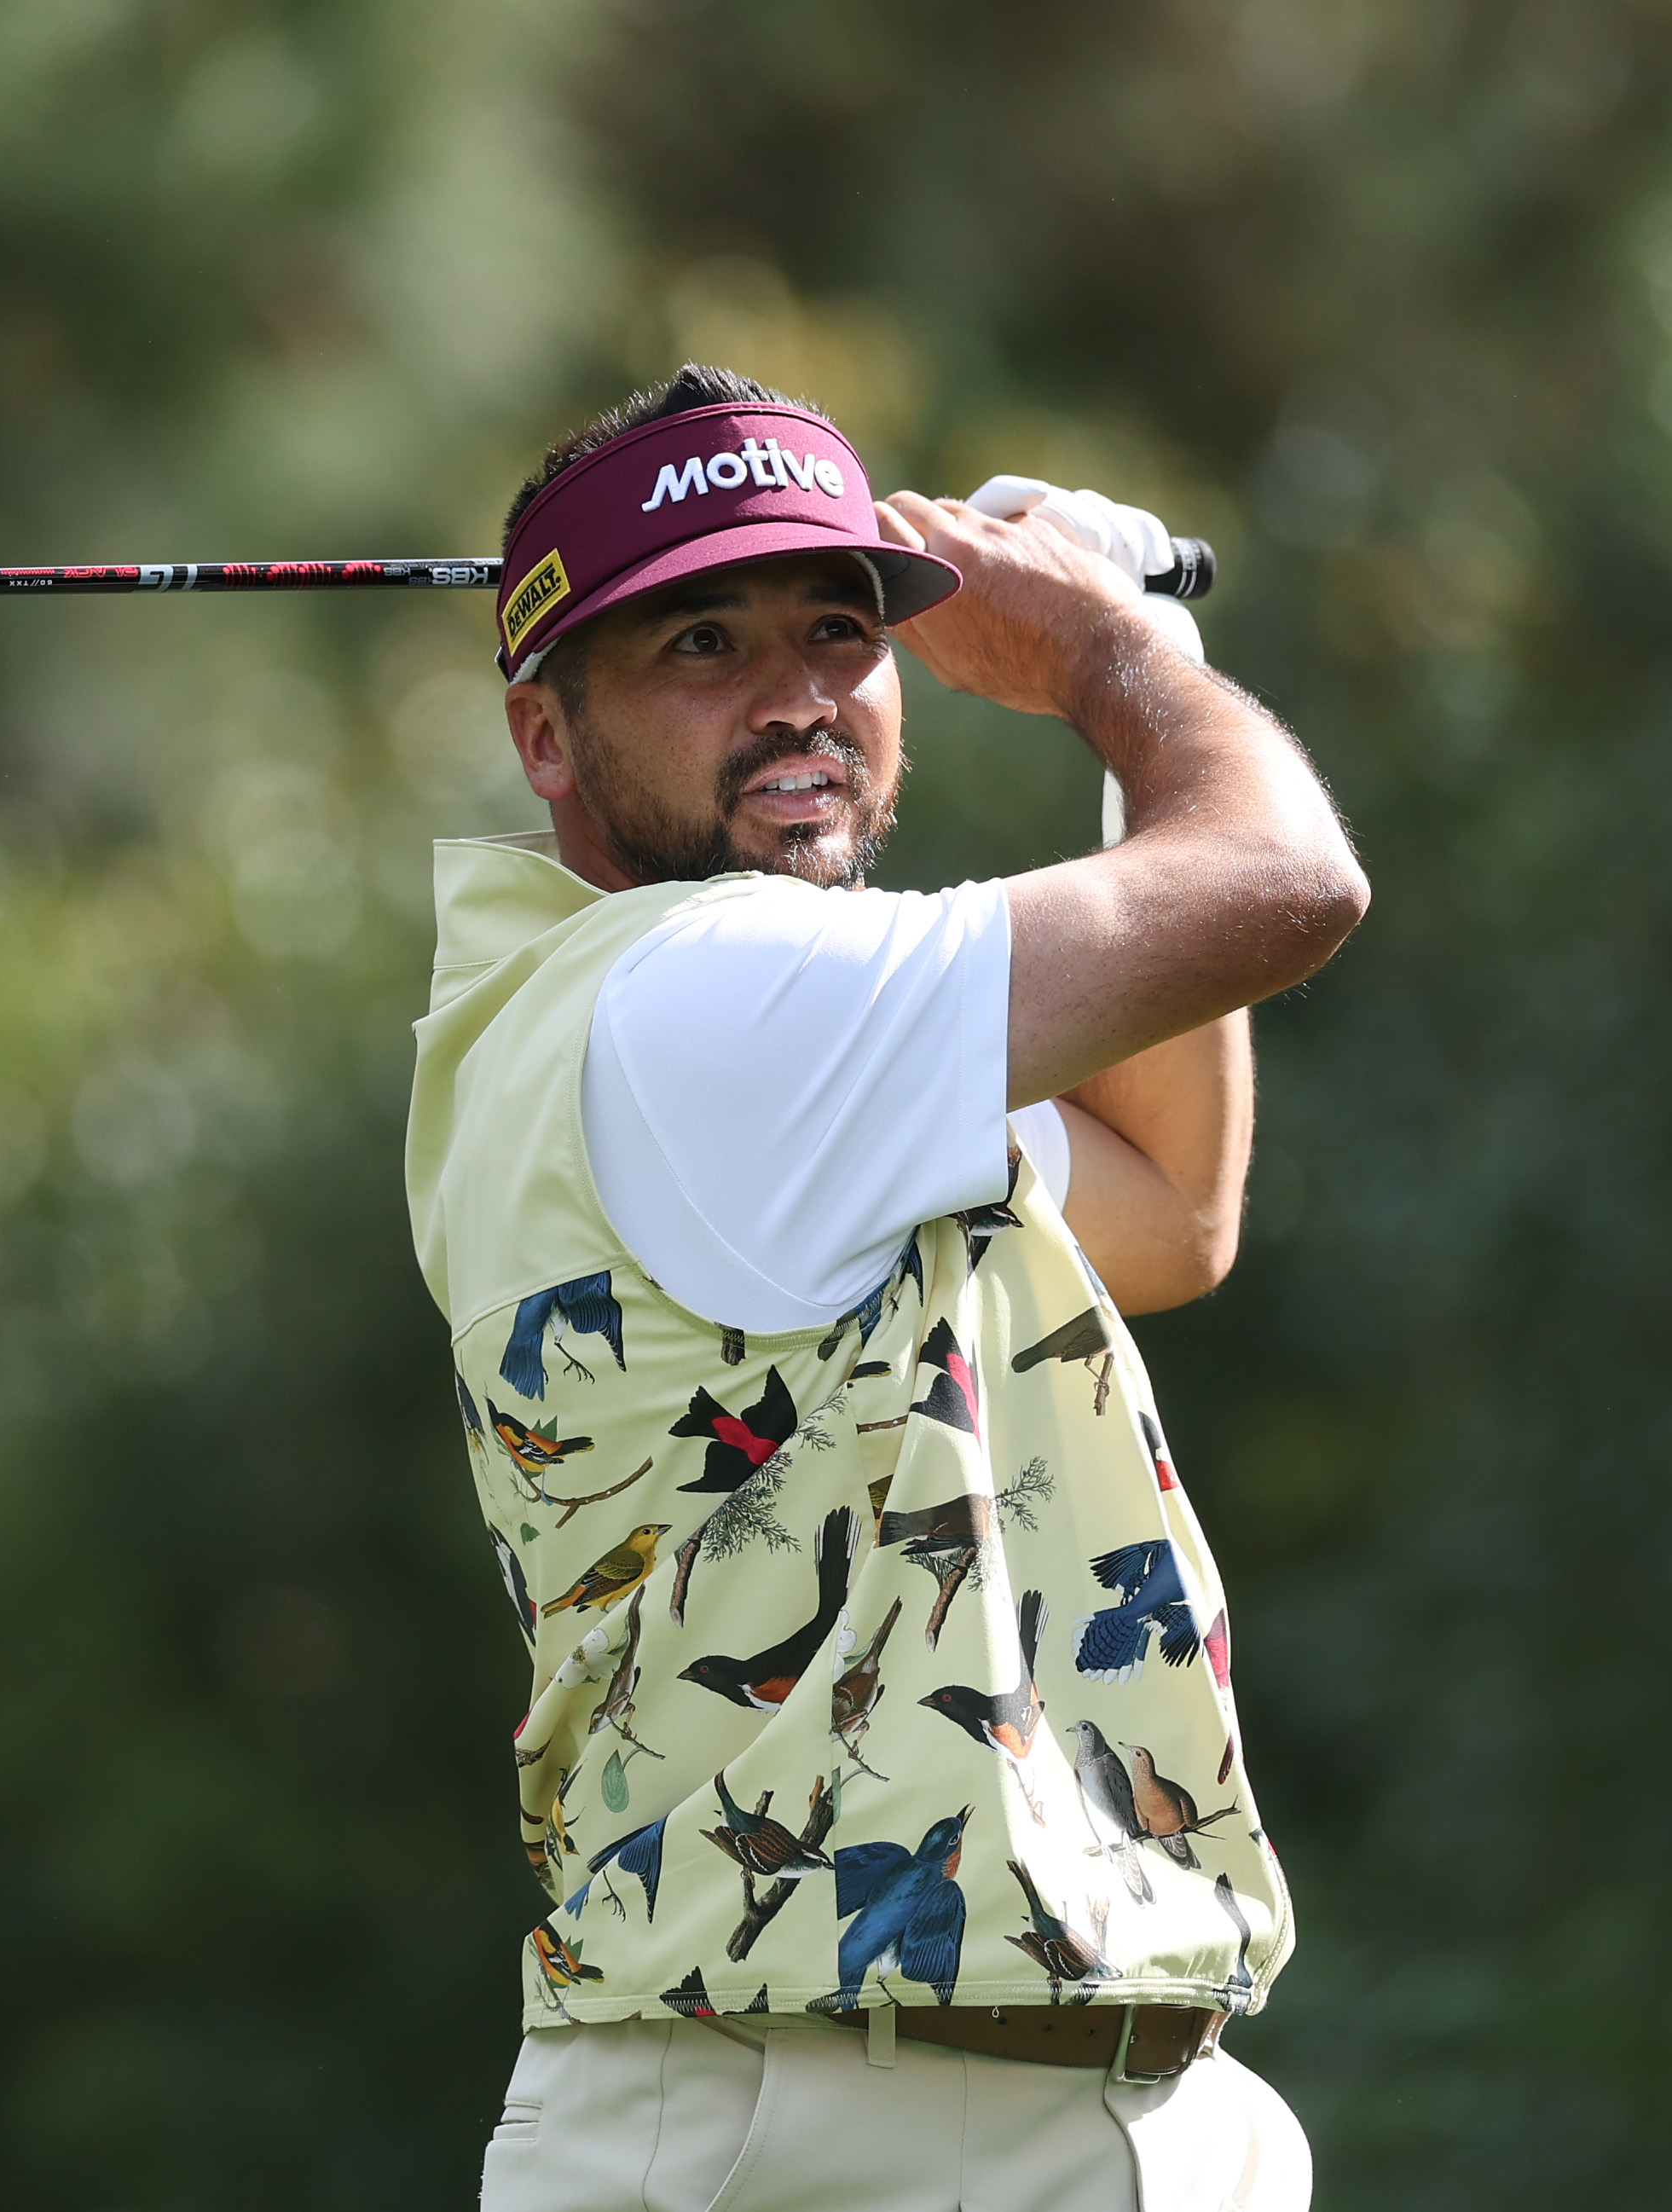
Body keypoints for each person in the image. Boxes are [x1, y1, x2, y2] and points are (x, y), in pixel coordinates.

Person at [405, 364, 1368, 2212]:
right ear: (544, 739)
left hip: (1013, 2100)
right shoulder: (705, 995)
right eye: (700, 642)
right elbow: (1285, 879)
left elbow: (1169, 1206)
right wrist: (1105, 658)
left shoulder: (734, 1035)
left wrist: (1127, 668)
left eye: (840, 633)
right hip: (821, 2126)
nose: (796, 699)